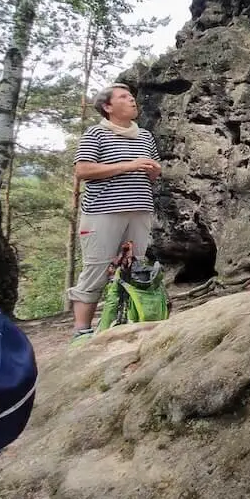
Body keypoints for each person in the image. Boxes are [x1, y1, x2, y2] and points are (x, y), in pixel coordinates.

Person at [67, 83, 161, 339]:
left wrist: (153, 172)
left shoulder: (145, 136)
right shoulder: (95, 134)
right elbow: (83, 170)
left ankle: (130, 323)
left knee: (137, 268)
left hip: (140, 210)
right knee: (96, 269)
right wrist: (129, 165)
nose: (132, 100)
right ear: (107, 107)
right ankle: (82, 332)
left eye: (131, 96)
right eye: (124, 97)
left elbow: (152, 173)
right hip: (103, 212)